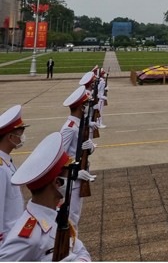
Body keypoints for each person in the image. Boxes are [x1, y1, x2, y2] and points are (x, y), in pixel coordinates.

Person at [0, 132, 91, 261]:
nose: (72, 180)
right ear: (58, 183)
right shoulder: (28, 237)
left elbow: (80, 250)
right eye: (68, 176)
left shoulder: (56, 216)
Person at [60, 85, 97, 228]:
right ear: (81, 107)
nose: (88, 107)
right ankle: (69, 247)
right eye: (86, 104)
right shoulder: (69, 127)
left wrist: (91, 147)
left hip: (80, 173)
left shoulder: (78, 124)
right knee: (71, 218)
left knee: (75, 215)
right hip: (72, 178)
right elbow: (60, 155)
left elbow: (81, 148)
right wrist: (74, 173)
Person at [0, 106, 28, 243]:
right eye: (20, 132)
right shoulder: (0, 168)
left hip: (14, 235)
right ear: (10, 137)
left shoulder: (6, 161)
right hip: (6, 241)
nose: (22, 136)